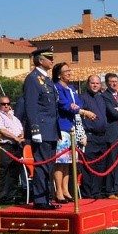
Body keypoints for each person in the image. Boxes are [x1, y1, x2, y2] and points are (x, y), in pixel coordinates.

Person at [23, 47, 60, 209]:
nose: (52, 60)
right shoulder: (33, 79)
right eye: (49, 57)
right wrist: (35, 129)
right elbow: (30, 106)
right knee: (42, 165)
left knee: (49, 166)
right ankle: (40, 200)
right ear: (40, 60)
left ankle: (47, 198)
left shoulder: (46, 78)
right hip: (42, 129)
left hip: (51, 128)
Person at [52, 63, 85, 202]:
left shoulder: (71, 88)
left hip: (71, 128)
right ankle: (58, 190)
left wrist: (76, 108)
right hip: (61, 127)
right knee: (60, 161)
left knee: (68, 162)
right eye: (66, 71)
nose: (69, 73)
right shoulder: (57, 88)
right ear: (59, 74)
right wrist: (74, 108)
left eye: (69, 70)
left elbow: (78, 104)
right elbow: (64, 105)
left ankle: (66, 189)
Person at [79, 75, 107, 199]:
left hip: (102, 137)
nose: (95, 85)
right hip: (89, 137)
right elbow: (78, 116)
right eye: (92, 83)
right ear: (88, 84)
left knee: (101, 166)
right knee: (89, 166)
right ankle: (88, 193)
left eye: (97, 83)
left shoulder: (101, 98)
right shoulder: (82, 98)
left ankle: (97, 192)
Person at [0, 95, 25, 204]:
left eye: (8, 104)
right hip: (5, 145)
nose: (6, 106)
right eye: (3, 104)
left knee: (14, 172)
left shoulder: (13, 116)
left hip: (16, 146)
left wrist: (21, 135)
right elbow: (1, 130)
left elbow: (20, 128)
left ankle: (11, 195)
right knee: (3, 172)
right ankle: (2, 196)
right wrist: (15, 137)